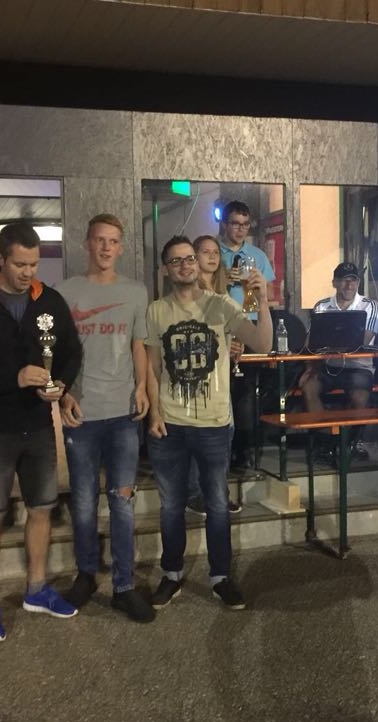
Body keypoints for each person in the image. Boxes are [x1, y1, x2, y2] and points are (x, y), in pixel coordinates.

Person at [0, 221, 82, 641]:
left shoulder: (50, 301)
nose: (28, 273)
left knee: (41, 509)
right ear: (0, 259)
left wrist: (60, 385)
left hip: (38, 426)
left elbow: (71, 352)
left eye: (34, 264)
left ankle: (37, 589)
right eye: (20, 264)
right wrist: (15, 377)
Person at [145, 236, 272, 611]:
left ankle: (221, 577)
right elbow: (152, 368)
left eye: (189, 258)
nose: (185, 265)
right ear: (166, 269)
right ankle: (171, 573)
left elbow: (261, 342)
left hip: (214, 423)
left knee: (217, 504)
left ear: (198, 264)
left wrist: (260, 298)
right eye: (176, 260)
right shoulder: (156, 311)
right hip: (170, 423)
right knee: (171, 506)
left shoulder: (221, 304)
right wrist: (154, 413)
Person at [55, 214, 155, 623]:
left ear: (121, 246)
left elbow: (139, 346)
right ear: (87, 243)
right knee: (82, 502)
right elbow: (57, 352)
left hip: (123, 414)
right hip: (82, 412)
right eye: (99, 240)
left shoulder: (135, 291)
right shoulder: (65, 292)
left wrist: (143, 387)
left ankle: (124, 586)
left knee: (122, 502)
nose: (106, 248)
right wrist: (63, 394)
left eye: (113, 241)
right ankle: (85, 575)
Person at [300, 261, 378, 460]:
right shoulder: (321, 306)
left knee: (360, 396)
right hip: (329, 366)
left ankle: (350, 443)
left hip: (359, 367)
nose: (349, 285)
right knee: (309, 387)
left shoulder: (370, 305)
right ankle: (326, 442)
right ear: (334, 283)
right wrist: (310, 368)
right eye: (344, 280)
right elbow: (310, 343)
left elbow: (363, 340)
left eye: (353, 281)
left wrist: (329, 343)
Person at [186, 234, 242, 515]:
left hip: (221, 374)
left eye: (215, 253)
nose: (211, 257)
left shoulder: (224, 292)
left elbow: (237, 323)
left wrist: (236, 343)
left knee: (226, 431)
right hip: (196, 373)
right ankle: (195, 492)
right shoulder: (189, 291)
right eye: (205, 252)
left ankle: (218, 492)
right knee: (198, 433)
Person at [219, 201, 276, 467]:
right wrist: (223, 279)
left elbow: (265, 294)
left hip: (249, 322)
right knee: (222, 389)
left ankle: (243, 450)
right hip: (219, 324)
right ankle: (222, 448)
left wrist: (257, 288)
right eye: (235, 224)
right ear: (224, 224)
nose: (241, 229)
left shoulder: (256, 256)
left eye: (245, 225)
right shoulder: (213, 252)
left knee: (245, 390)